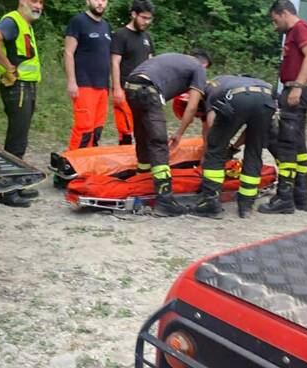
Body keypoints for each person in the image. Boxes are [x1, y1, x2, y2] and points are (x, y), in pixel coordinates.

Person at [124, 50, 211, 216]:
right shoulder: (198, 68)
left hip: (130, 85)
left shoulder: (175, 58)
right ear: (204, 65)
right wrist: (179, 134)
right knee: (158, 142)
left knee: (142, 136)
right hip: (148, 89)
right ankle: (165, 200)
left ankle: (142, 179)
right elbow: (192, 107)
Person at [0, 0, 44, 208]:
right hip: (18, 88)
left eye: (41, 2)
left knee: (21, 137)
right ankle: (6, 191)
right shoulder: (13, 21)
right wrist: (8, 67)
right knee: (16, 139)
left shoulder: (25, 24)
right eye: (34, 1)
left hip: (26, 87)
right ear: (22, 2)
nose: (38, 6)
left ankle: (16, 184)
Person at [258, 0, 307, 215]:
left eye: (275, 20)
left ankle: (285, 198)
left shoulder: (301, 29)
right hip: (294, 90)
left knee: (286, 145)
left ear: (283, 13)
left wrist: (297, 87)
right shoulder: (293, 34)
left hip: (295, 91)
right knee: (298, 146)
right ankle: (301, 196)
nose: (275, 25)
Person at [192, 75, 277, 219]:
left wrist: (213, 149)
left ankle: (211, 203)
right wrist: (233, 148)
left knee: (215, 150)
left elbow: (213, 128)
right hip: (267, 99)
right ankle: (246, 206)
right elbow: (249, 132)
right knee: (254, 151)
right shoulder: (231, 81)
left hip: (238, 98)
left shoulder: (210, 89)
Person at [65, 0, 112, 150]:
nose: (100, 3)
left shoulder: (106, 26)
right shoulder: (78, 21)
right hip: (84, 83)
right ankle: (71, 166)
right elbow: (68, 52)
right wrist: (72, 81)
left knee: (97, 129)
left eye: (103, 0)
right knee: (84, 128)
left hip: (103, 85)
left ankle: (88, 165)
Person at [111, 0, 156, 145]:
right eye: (143, 18)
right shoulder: (121, 35)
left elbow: (151, 62)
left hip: (144, 91)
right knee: (126, 129)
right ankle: (125, 161)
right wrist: (117, 88)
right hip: (125, 89)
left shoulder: (147, 37)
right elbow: (115, 62)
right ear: (133, 14)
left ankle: (141, 162)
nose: (146, 22)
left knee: (144, 129)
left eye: (149, 18)